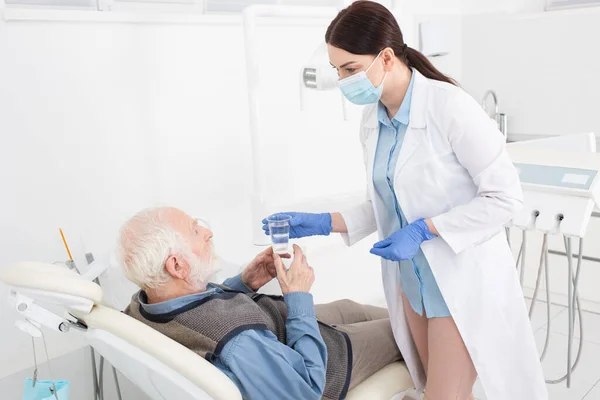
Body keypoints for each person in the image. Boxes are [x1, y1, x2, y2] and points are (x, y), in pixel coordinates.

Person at [263, 2, 547, 399]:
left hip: (458, 282)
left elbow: (505, 198)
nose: (343, 81)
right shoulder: (374, 117)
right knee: (437, 388)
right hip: (412, 284)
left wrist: (425, 229)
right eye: (336, 70)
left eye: (350, 69)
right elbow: (383, 204)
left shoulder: (449, 107)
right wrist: (324, 221)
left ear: (387, 58)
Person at [117, 207, 404, 400]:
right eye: (194, 231)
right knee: (408, 331)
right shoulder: (237, 342)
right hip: (321, 366)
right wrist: (298, 297)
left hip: (276, 337)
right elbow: (305, 392)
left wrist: (244, 282)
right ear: (177, 266)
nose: (208, 233)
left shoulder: (143, 307)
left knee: (350, 306)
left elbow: (196, 313)